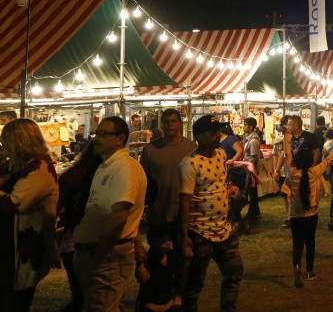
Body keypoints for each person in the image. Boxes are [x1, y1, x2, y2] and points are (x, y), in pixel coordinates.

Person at [73, 116, 148, 311]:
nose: (97, 138)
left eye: (104, 134)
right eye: (97, 133)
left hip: (108, 253)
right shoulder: (105, 165)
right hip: (94, 251)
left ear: (120, 139)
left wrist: (100, 253)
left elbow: (119, 217)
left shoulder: (124, 168)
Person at [179, 115, 244, 312]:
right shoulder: (189, 164)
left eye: (218, 131)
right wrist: (184, 238)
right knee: (194, 281)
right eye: (212, 132)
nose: (218, 136)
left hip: (223, 228)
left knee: (234, 270)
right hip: (199, 231)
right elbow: (184, 202)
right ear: (199, 136)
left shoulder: (221, 156)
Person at [138, 108, 196, 309]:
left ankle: (177, 294)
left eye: (173, 121)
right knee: (157, 258)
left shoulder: (191, 148)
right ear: (161, 125)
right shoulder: (150, 150)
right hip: (158, 211)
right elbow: (143, 182)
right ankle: (157, 295)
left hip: (183, 213)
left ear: (180, 123)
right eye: (166, 121)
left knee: (180, 257)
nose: (170, 125)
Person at [0, 118, 58, 311]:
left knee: (13, 303)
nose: (4, 146)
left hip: (21, 250)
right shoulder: (18, 165)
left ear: (19, 141)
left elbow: (13, 204)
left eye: (6, 141)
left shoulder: (39, 168)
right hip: (10, 248)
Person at [281, 126, 333, 286]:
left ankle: (297, 266)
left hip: (295, 216)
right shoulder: (315, 172)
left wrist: (287, 138)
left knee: (297, 244)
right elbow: (329, 159)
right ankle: (309, 271)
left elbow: (288, 155)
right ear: (310, 160)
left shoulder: (291, 173)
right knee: (310, 242)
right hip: (311, 214)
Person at [56, 139, 103, 312]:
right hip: (80, 240)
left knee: (84, 294)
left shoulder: (75, 174)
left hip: (77, 239)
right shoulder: (79, 175)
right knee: (89, 295)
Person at [242, 116, 262, 221]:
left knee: (252, 191)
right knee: (252, 191)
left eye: (245, 125)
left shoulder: (253, 140)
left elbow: (255, 157)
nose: (244, 127)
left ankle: (253, 212)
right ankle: (255, 211)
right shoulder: (249, 138)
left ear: (251, 127)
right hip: (249, 168)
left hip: (251, 169)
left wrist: (251, 171)